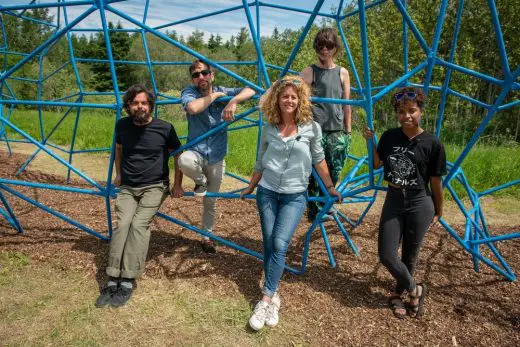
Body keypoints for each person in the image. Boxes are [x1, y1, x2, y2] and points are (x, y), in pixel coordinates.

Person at [240, 75, 342, 331]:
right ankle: (274, 295)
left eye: (294, 97)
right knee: (268, 242)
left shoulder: (311, 128)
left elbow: (319, 160)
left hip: (295, 195)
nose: (289, 100)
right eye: (285, 96)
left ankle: (265, 299)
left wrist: (330, 188)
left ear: (300, 100)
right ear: (278, 99)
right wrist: (252, 185)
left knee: (279, 242)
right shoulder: (269, 128)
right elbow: (261, 161)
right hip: (267, 192)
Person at [362, 87, 447, 319]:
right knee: (387, 254)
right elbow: (376, 165)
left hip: (420, 201)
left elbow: (436, 181)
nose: (406, 115)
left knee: (410, 254)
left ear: (420, 111)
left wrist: (439, 210)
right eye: (401, 111)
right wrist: (371, 142)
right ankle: (415, 289)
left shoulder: (433, 143)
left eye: (412, 110)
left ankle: (398, 295)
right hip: (394, 198)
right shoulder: (390, 136)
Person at [96, 84, 182, 308]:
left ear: (151, 105)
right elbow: (118, 149)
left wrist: (178, 184)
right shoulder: (122, 125)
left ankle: (127, 280)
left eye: (144, 102)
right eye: (135, 103)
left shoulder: (165, 128)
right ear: (128, 106)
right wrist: (119, 173)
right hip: (128, 187)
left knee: (138, 225)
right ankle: (113, 276)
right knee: (123, 224)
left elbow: (178, 156)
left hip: (154, 186)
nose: (140, 106)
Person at [175, 59, 255, 253]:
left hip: (217, 156)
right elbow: (193, 108)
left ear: (212, 75)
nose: (200, 77)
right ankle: (200, 180)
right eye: (196, 75)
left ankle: (207, 236)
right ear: (192, 79)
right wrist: (218, 96)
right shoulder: (190, 92)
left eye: (204, 73)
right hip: (197, 153)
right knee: (183, 160)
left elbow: (253, 89)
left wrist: (233, 101)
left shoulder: (224, 91)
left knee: (210, 201)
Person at [300, 27, 352, 222]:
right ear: (316, 48)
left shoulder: (342, 72)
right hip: (316, 129)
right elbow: (296, 97)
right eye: (321, 46)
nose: (324, 50)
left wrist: (348, 130)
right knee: (314, 171)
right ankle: (314, 210)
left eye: (328, 46)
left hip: (337, 129)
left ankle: (325, 205)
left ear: (335, 48)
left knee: (334, 169)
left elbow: (347, 104)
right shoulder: (309, 72)